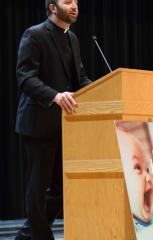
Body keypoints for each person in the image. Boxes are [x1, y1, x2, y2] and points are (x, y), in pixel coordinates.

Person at [15, 0, 91, 239]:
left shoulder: (73, 38)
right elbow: (25, 77)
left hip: (65, 126)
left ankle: (29, 234)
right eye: (68, 2)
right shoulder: (35, 34)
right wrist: (54, 96)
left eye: (76, 2)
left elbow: (79, 78)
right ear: (52, 7)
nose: (75, 5)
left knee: (60, 189)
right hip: (38, 123)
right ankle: (40, 235)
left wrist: (104, 91)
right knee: (37, 189)